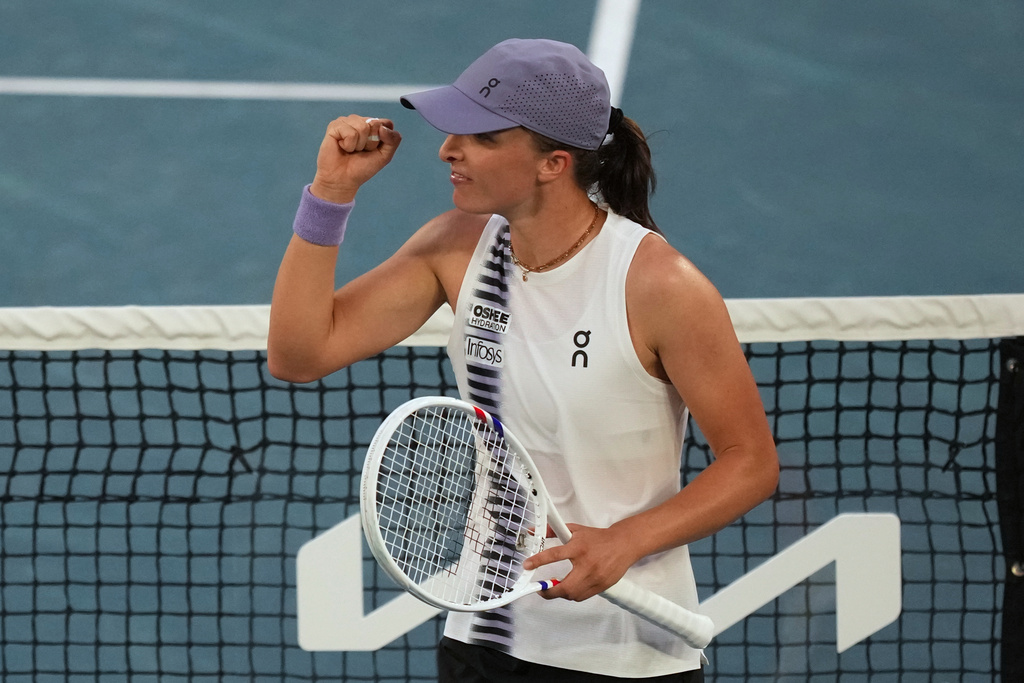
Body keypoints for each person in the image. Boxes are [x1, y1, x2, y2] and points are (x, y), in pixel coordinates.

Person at [268, 38, 778, 682]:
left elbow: (750, 462)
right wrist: (331, 192)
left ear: (552, 163)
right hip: (484, 627)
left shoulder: (658, 285)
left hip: (620, 650)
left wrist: (624, 541)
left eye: (481, 137)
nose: (448, 150)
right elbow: (299, 355)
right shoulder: (455, 248)